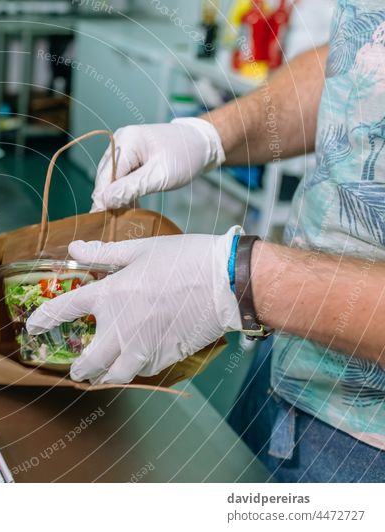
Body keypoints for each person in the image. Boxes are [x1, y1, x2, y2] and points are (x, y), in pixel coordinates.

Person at [27, 2, 385, 482]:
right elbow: (357, 59)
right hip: (287, 366)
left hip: (364, 451)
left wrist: (238, 279)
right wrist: (209, 134)